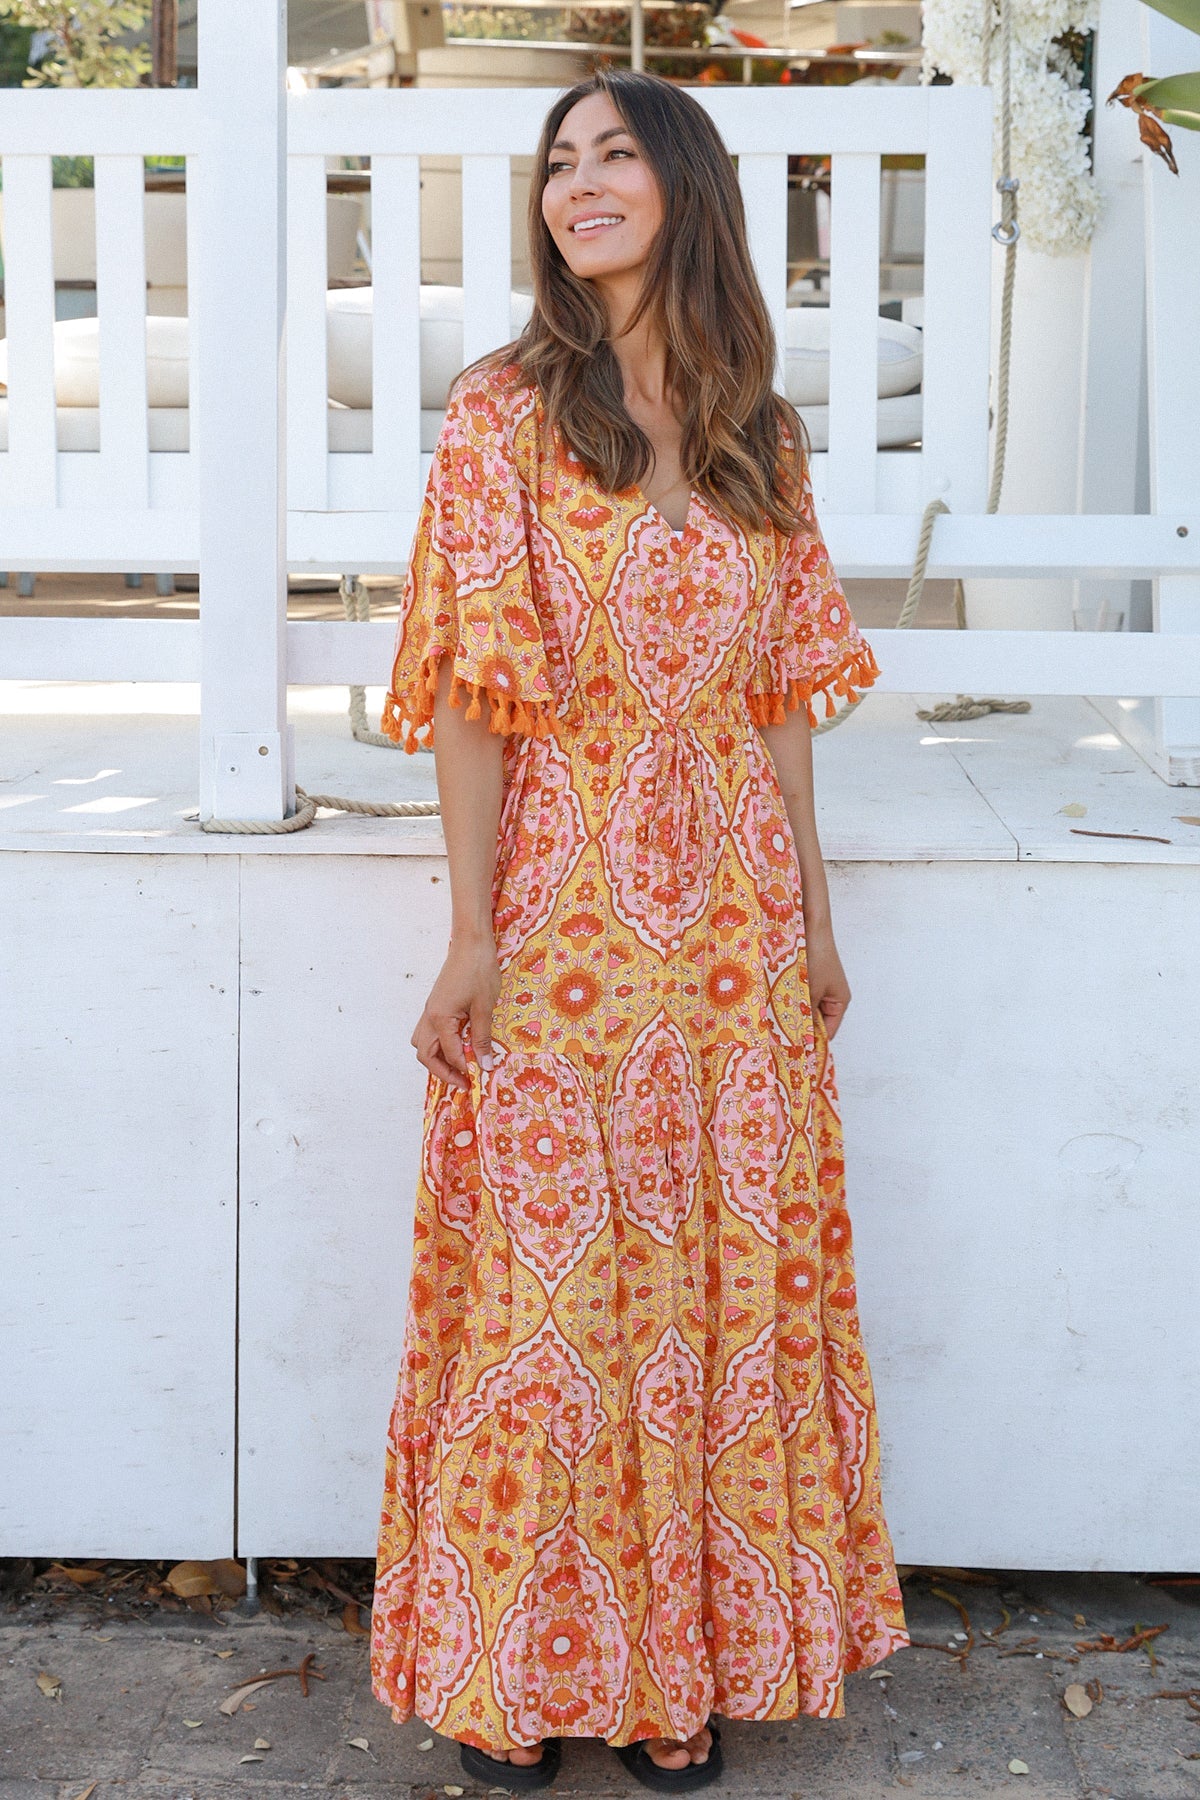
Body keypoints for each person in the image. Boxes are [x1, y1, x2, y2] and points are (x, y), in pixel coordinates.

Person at [369, 68, 909, 1794]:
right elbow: (472, 697)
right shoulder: (503, 412)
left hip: (734, 917)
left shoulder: (760, 428)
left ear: (685, 184)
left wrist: (814, 915)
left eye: (613, 154)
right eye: (557, 163)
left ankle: (679, 1670)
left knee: (713, 1294)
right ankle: (513, 1672)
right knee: (551, 1296)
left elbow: (783, 700)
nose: (577, 183)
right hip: (563, 894)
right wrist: (473, 934)